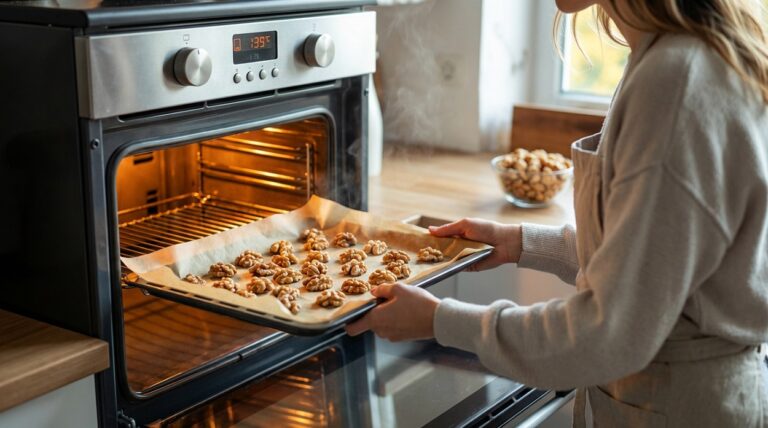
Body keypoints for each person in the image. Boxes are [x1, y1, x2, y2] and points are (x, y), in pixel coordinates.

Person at [347, 0, 768, 425]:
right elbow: (655, 257)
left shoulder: (674, 81)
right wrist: (521, 243)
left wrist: (441, 320)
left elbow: (608, 333)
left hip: (681, 407)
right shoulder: (669, 55)